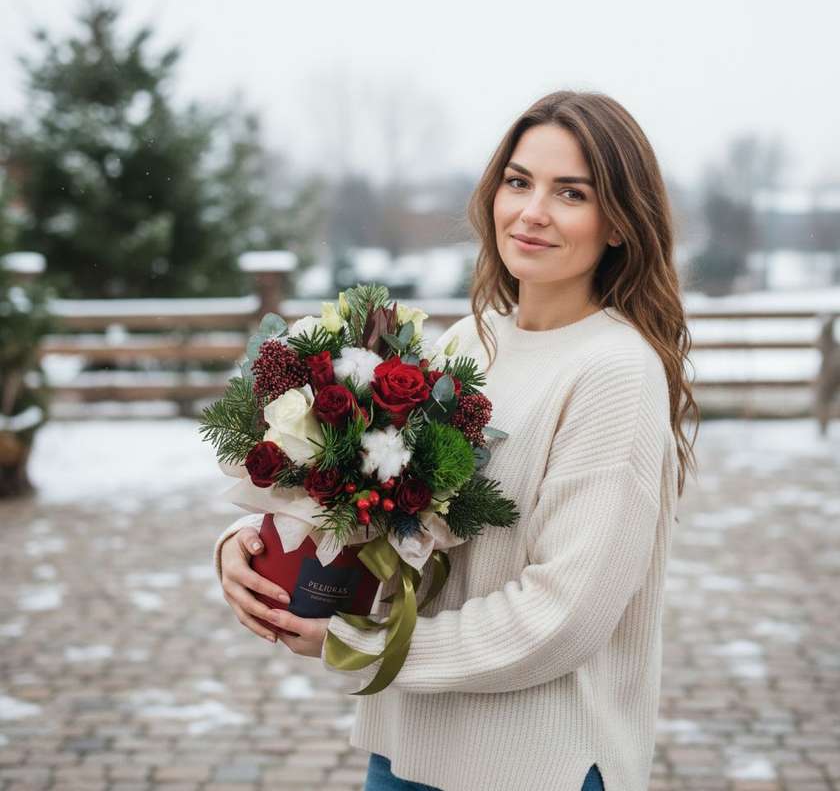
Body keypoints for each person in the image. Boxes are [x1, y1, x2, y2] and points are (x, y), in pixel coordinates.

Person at [213, 89, 699, 791]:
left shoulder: (614, 372)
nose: (532, 213)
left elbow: (561, 617)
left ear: (619, 223)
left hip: (534, 766)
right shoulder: (467, 342)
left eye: (571, 193)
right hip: (409, 750)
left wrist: (365, 647)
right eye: (519, 181)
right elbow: (367, 515)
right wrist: (250, 548)